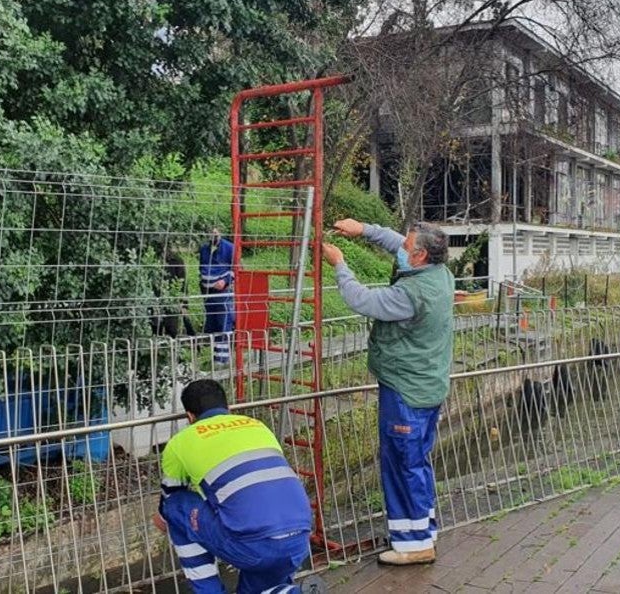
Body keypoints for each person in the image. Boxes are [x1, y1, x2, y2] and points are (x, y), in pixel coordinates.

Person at [321, 219, 454, 565]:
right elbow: (399, 241)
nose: (401, 251)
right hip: (426, 385)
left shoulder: (410, 294)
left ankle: (414, 547)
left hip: (406, 390)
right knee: (417, 463)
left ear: (422, 255)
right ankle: (421, 530)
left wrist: (340, 265)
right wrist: (364, 229)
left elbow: (362, 300)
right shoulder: (439, 274)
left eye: (408, 249)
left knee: (402, 464)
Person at [154, 379, 312, 594]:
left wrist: (164, 519)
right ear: (227, 408)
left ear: (190, 416)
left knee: (174, 507)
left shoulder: (181, 441)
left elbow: (170, 496)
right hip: (299, 542)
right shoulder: (258, 427)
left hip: (253, 547)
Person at [200, 230, 236, 363]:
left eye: (215, 232)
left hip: (223, 293)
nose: (212, 235)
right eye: (209, 232)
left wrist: (225, 281)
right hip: (208, 293)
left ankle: (223, 360)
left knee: (224, 324)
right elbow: (201, 268)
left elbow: (237, 269)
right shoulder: (204, 249)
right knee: (212, 325)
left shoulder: (229, 248)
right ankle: (216, 359)